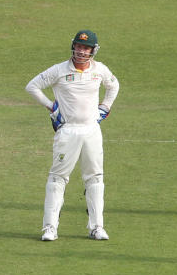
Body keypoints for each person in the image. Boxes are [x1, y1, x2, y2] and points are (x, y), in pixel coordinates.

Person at [25, 30, 120, 241]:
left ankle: (96, 227)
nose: (81, 51)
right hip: (67, 130)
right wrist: (52, 107)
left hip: (92, 130)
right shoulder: (59, 70)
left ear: (93, 50)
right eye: (78, 46)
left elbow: (113, 85)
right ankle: (50, 228)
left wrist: (105, 106)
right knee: (58, 178)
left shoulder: (99, 69)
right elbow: (32, 86)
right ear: (73, 46)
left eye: (86, 48)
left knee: (95, 178)